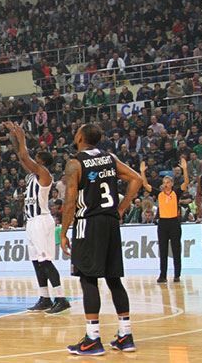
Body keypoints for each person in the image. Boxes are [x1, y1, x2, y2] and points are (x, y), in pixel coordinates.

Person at [60, 124, 142, 356]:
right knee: (114, 278)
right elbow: (136, 179)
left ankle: (92, 339)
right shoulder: (110, 158)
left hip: (88, 222)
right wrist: (122, 208)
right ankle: (125, 335)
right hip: (110, 222)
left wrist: (63, 232)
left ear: (80, 137)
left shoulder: (75, 163)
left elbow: (70, 200)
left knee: (88, 278)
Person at [4, 122, 70, 314]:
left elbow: (25, 155)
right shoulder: (33, 175)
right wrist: (15, 139)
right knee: (36, 260)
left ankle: (61, 298)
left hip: (41, 220)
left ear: (41, 161)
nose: (31, 159)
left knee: (45, 260)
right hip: (31, 222)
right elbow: (21, 156)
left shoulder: (44, 174)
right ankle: (44, 297)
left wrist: (22, 135)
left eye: (36, 157)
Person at [141, 158, 189, 283]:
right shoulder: (159, 194)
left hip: (174, 222)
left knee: (176, 249)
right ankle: (163, 275)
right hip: (162, 223)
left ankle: (177, 275)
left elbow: (186, 182)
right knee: (162, 250)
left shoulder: (176, 192)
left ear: (172, 184)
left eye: (168, 182)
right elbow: (145, 185)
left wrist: (185, 169)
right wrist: (142, 172)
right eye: (164, 182)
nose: (166, 184)